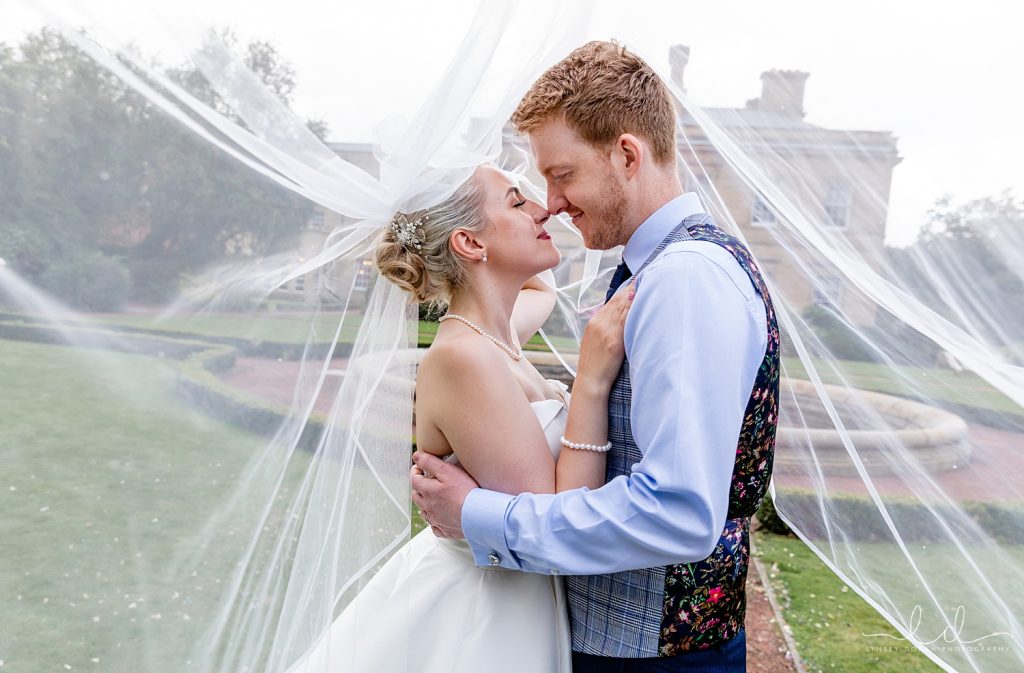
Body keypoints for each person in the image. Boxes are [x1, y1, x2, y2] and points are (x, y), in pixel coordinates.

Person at [411, 41, 780, 672]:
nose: (550, 202)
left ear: (627, 155)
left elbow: (678, 511)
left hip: (652, 656)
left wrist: (479, 514)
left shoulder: (684, 280)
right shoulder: (660, 271)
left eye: (560, 174)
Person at [282, 162, 636, 673]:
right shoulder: (463, 358)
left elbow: (542, 290)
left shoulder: (498, 333)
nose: (545, 208)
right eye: (518, 201)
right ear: (469, 243)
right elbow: (557, 516)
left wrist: (507, 238)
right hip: (480, 617)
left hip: (514, 598)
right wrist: (592, 380)